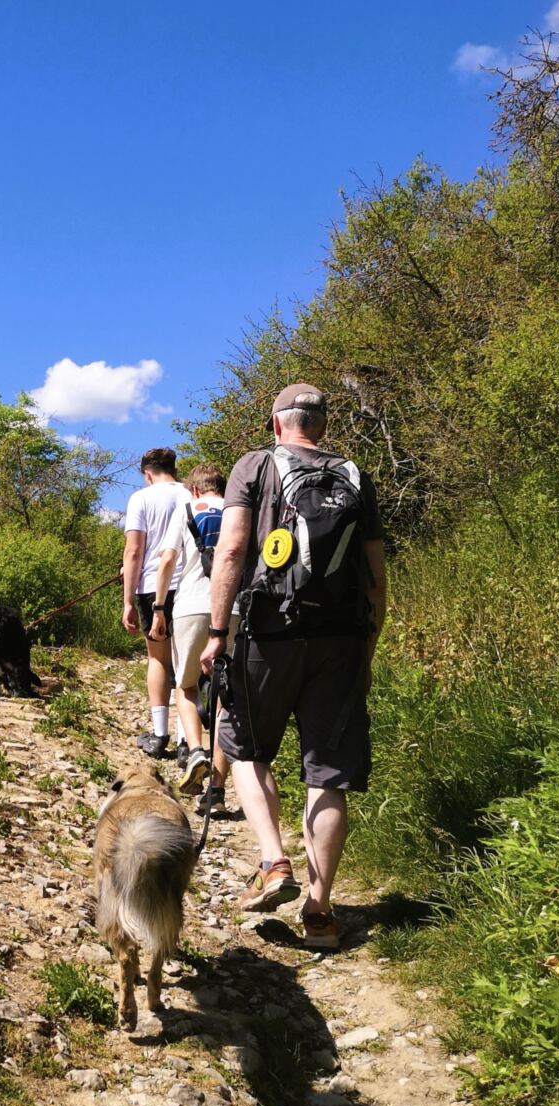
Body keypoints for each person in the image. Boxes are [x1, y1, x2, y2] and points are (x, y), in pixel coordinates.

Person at [199, 383, 387, 949]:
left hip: (269, 633)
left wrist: (217, 633)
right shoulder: (355, 475)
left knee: (246, 748)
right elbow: (376, 578)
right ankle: (321, 912)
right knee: (327, 776)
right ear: (322, 425)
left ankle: (273, 861)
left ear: (276, 423)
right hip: (342, 640)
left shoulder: (255, 465)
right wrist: (366, 651)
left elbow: (232, 550)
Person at [148, 463, 229, 798]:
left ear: (194, 489)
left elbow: (168, 560)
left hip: (192, 606)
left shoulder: (187, 510)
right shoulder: (240, 509)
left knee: (186, 685)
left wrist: (158, 607)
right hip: (234, 609)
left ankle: (195, 749)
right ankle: (218, 790)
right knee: (226, 699)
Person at [121, 448, 191, 759]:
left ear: (147, 474)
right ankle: (189, 741)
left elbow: (134, 551)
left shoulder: (142, 498)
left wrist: (127, 601)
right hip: (189, 585)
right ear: (173, 469)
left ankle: (160, 735)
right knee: (187, 663)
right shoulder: (191, 493)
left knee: (158, 660)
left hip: (152, 586)